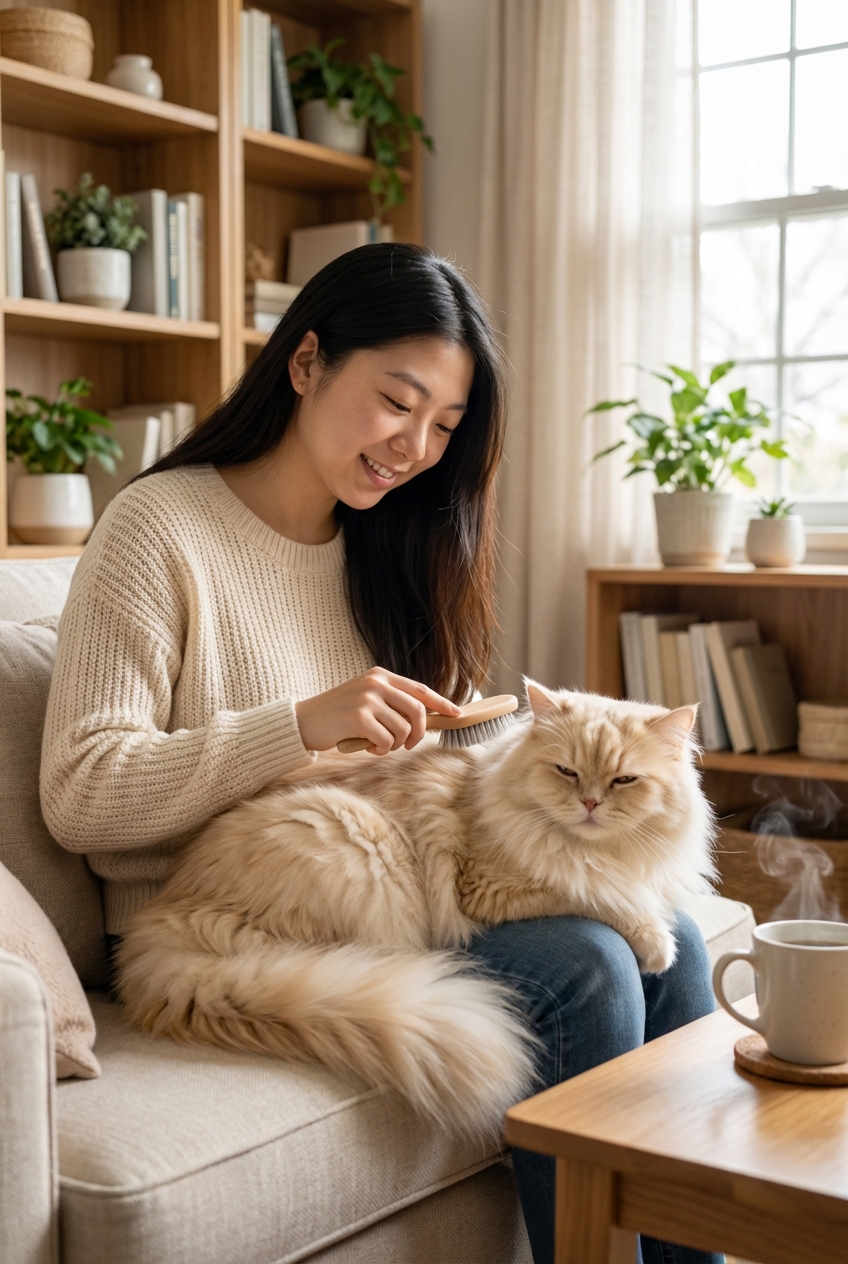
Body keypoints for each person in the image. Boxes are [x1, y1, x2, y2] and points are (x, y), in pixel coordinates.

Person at [41, 243, 722, 1264]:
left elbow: (430, 789)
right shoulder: (158, 528)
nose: (414, 447)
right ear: (306, 362)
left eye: (444, 427)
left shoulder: (388, 540)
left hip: (396, 878)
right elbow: (81, 794)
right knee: (588, 964)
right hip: (233, 911)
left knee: (677, 941)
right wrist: (300, 725)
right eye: (396, 403)